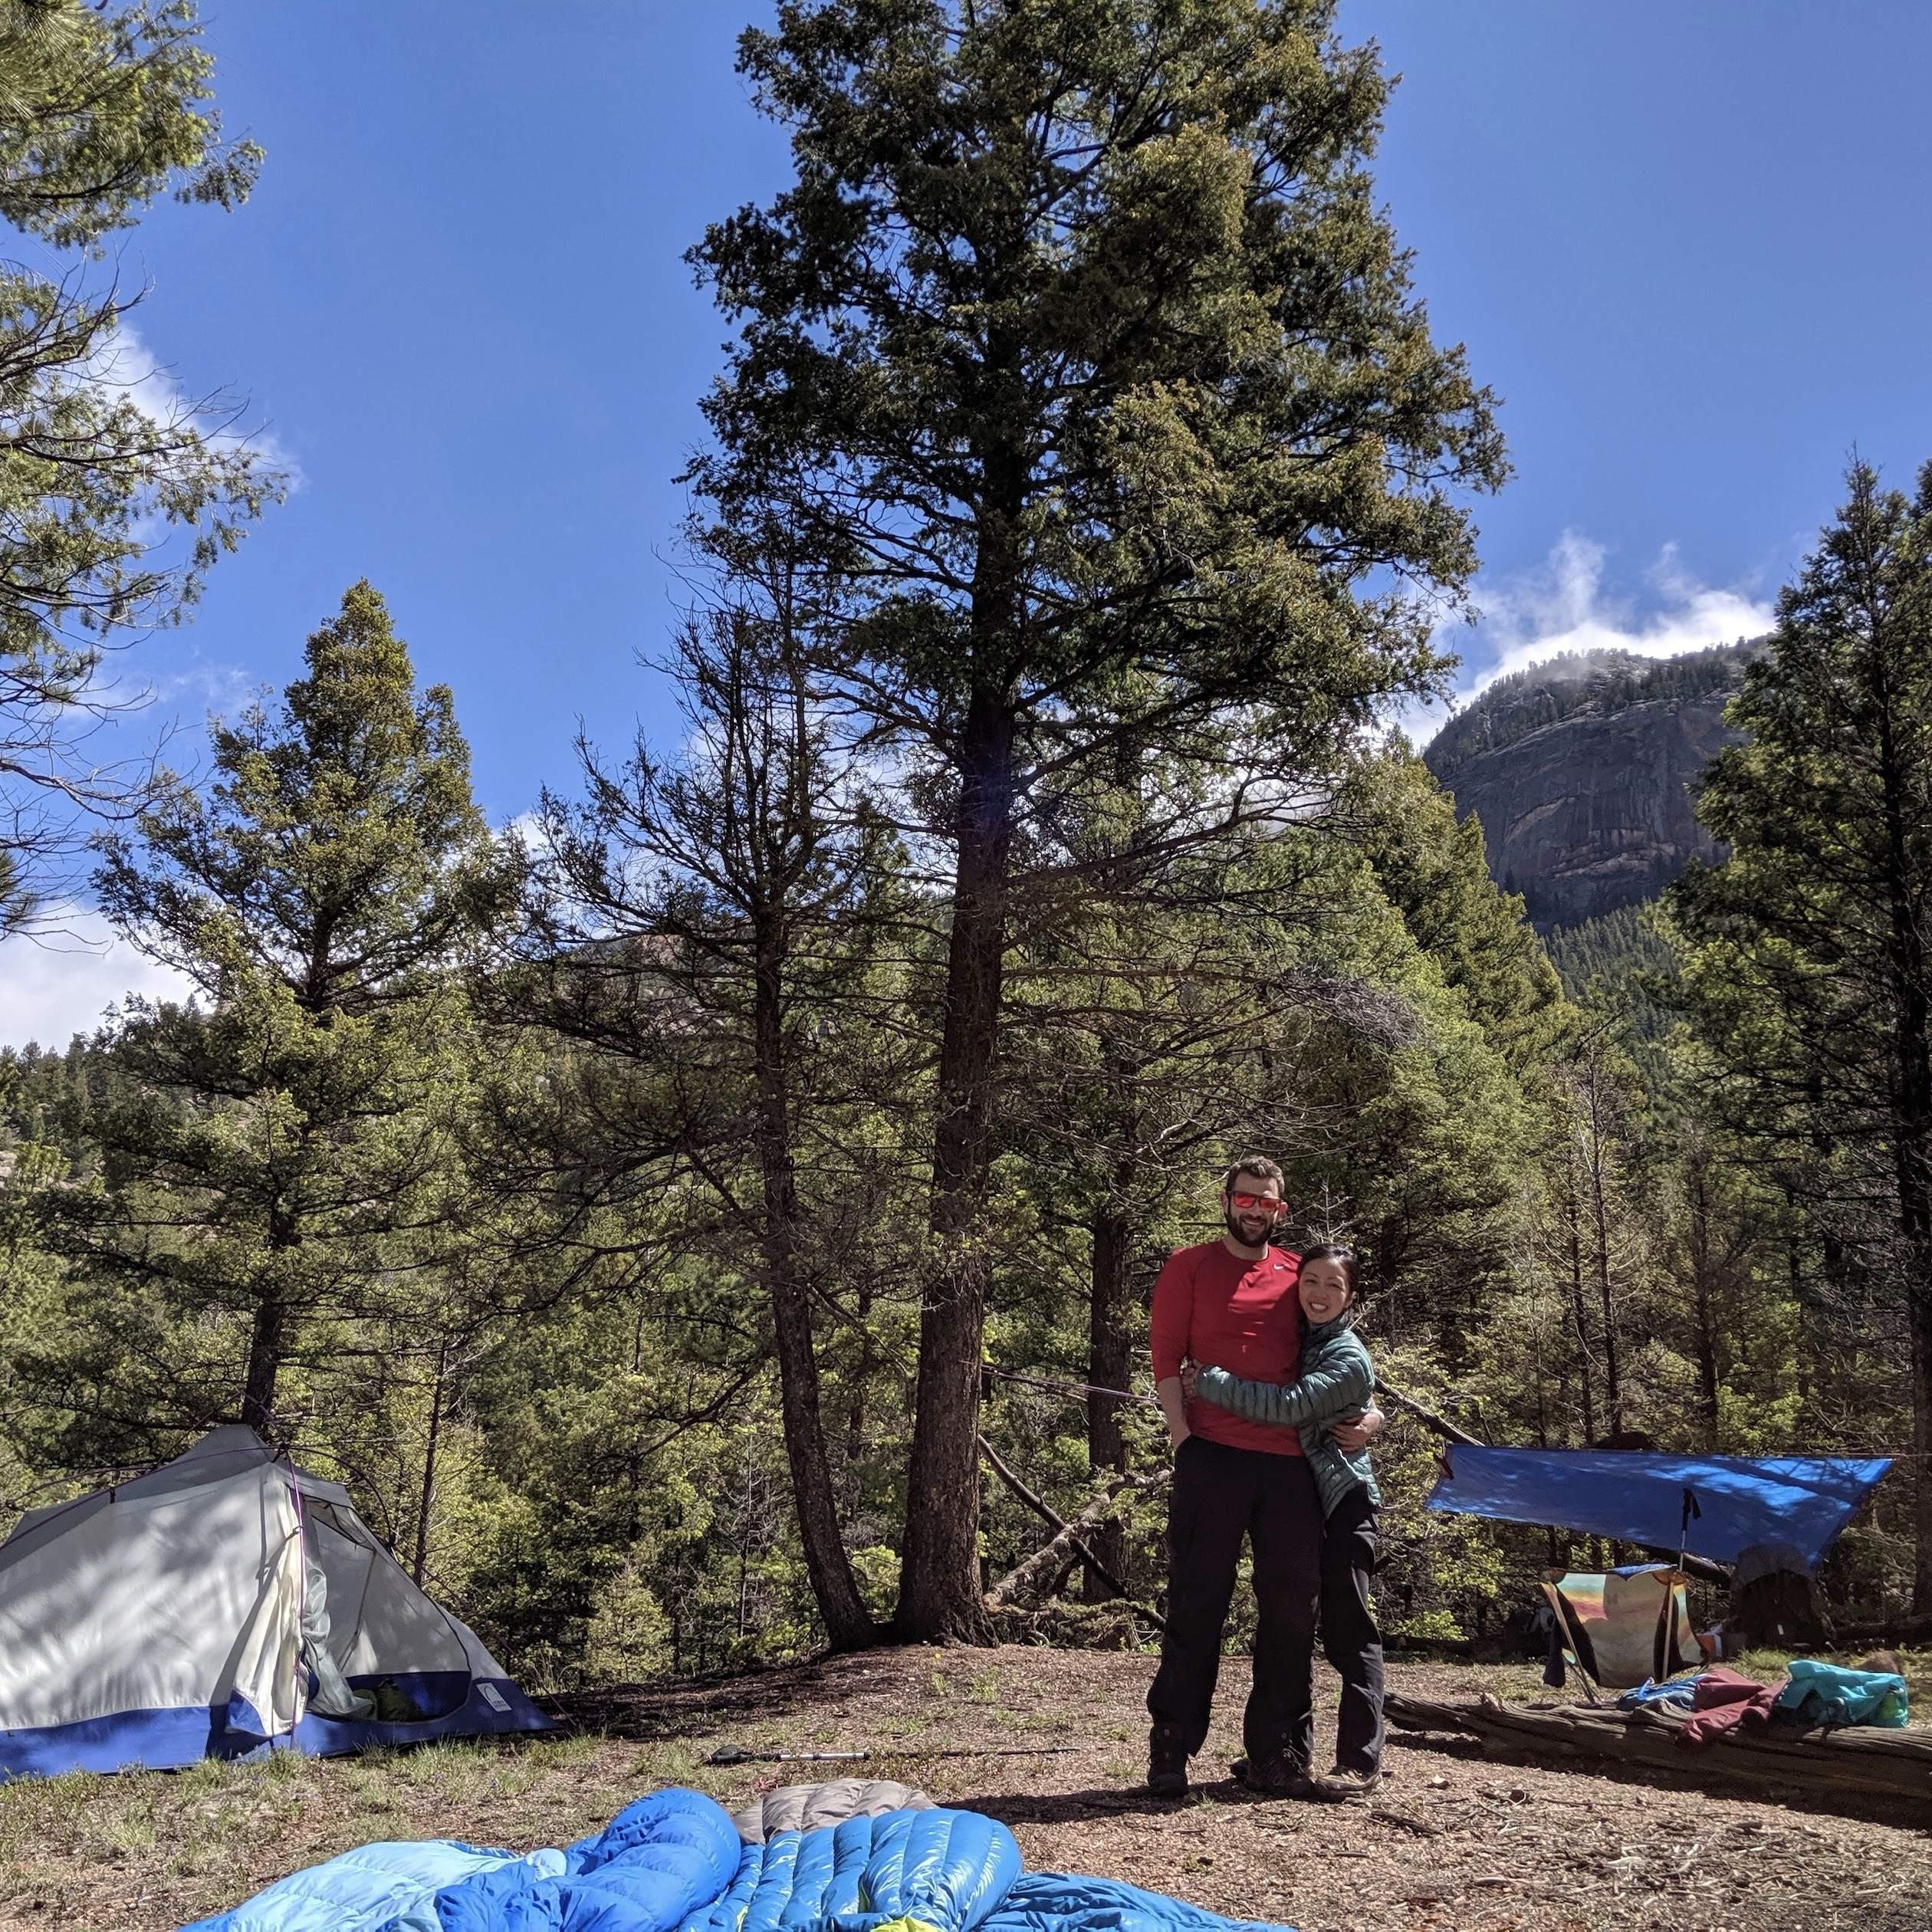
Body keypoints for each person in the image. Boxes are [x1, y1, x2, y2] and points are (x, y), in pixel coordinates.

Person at [1144, 1159, 1378, 1799]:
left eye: (1266, 1203)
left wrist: (1372, 1416)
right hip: (1212, 1457)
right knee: (1197, 1603)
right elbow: (1166, 1359)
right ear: (1227, 1201)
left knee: (1290, 1615)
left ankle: (1278, 1755)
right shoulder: (1188, 1267)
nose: (1254, 1211)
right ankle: (1171, 1750)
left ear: (1280, 1210)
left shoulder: (1297, 1274)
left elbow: (1340, 1351)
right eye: (1245, 1199)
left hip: (1291, 1470)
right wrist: (1184, 1438)